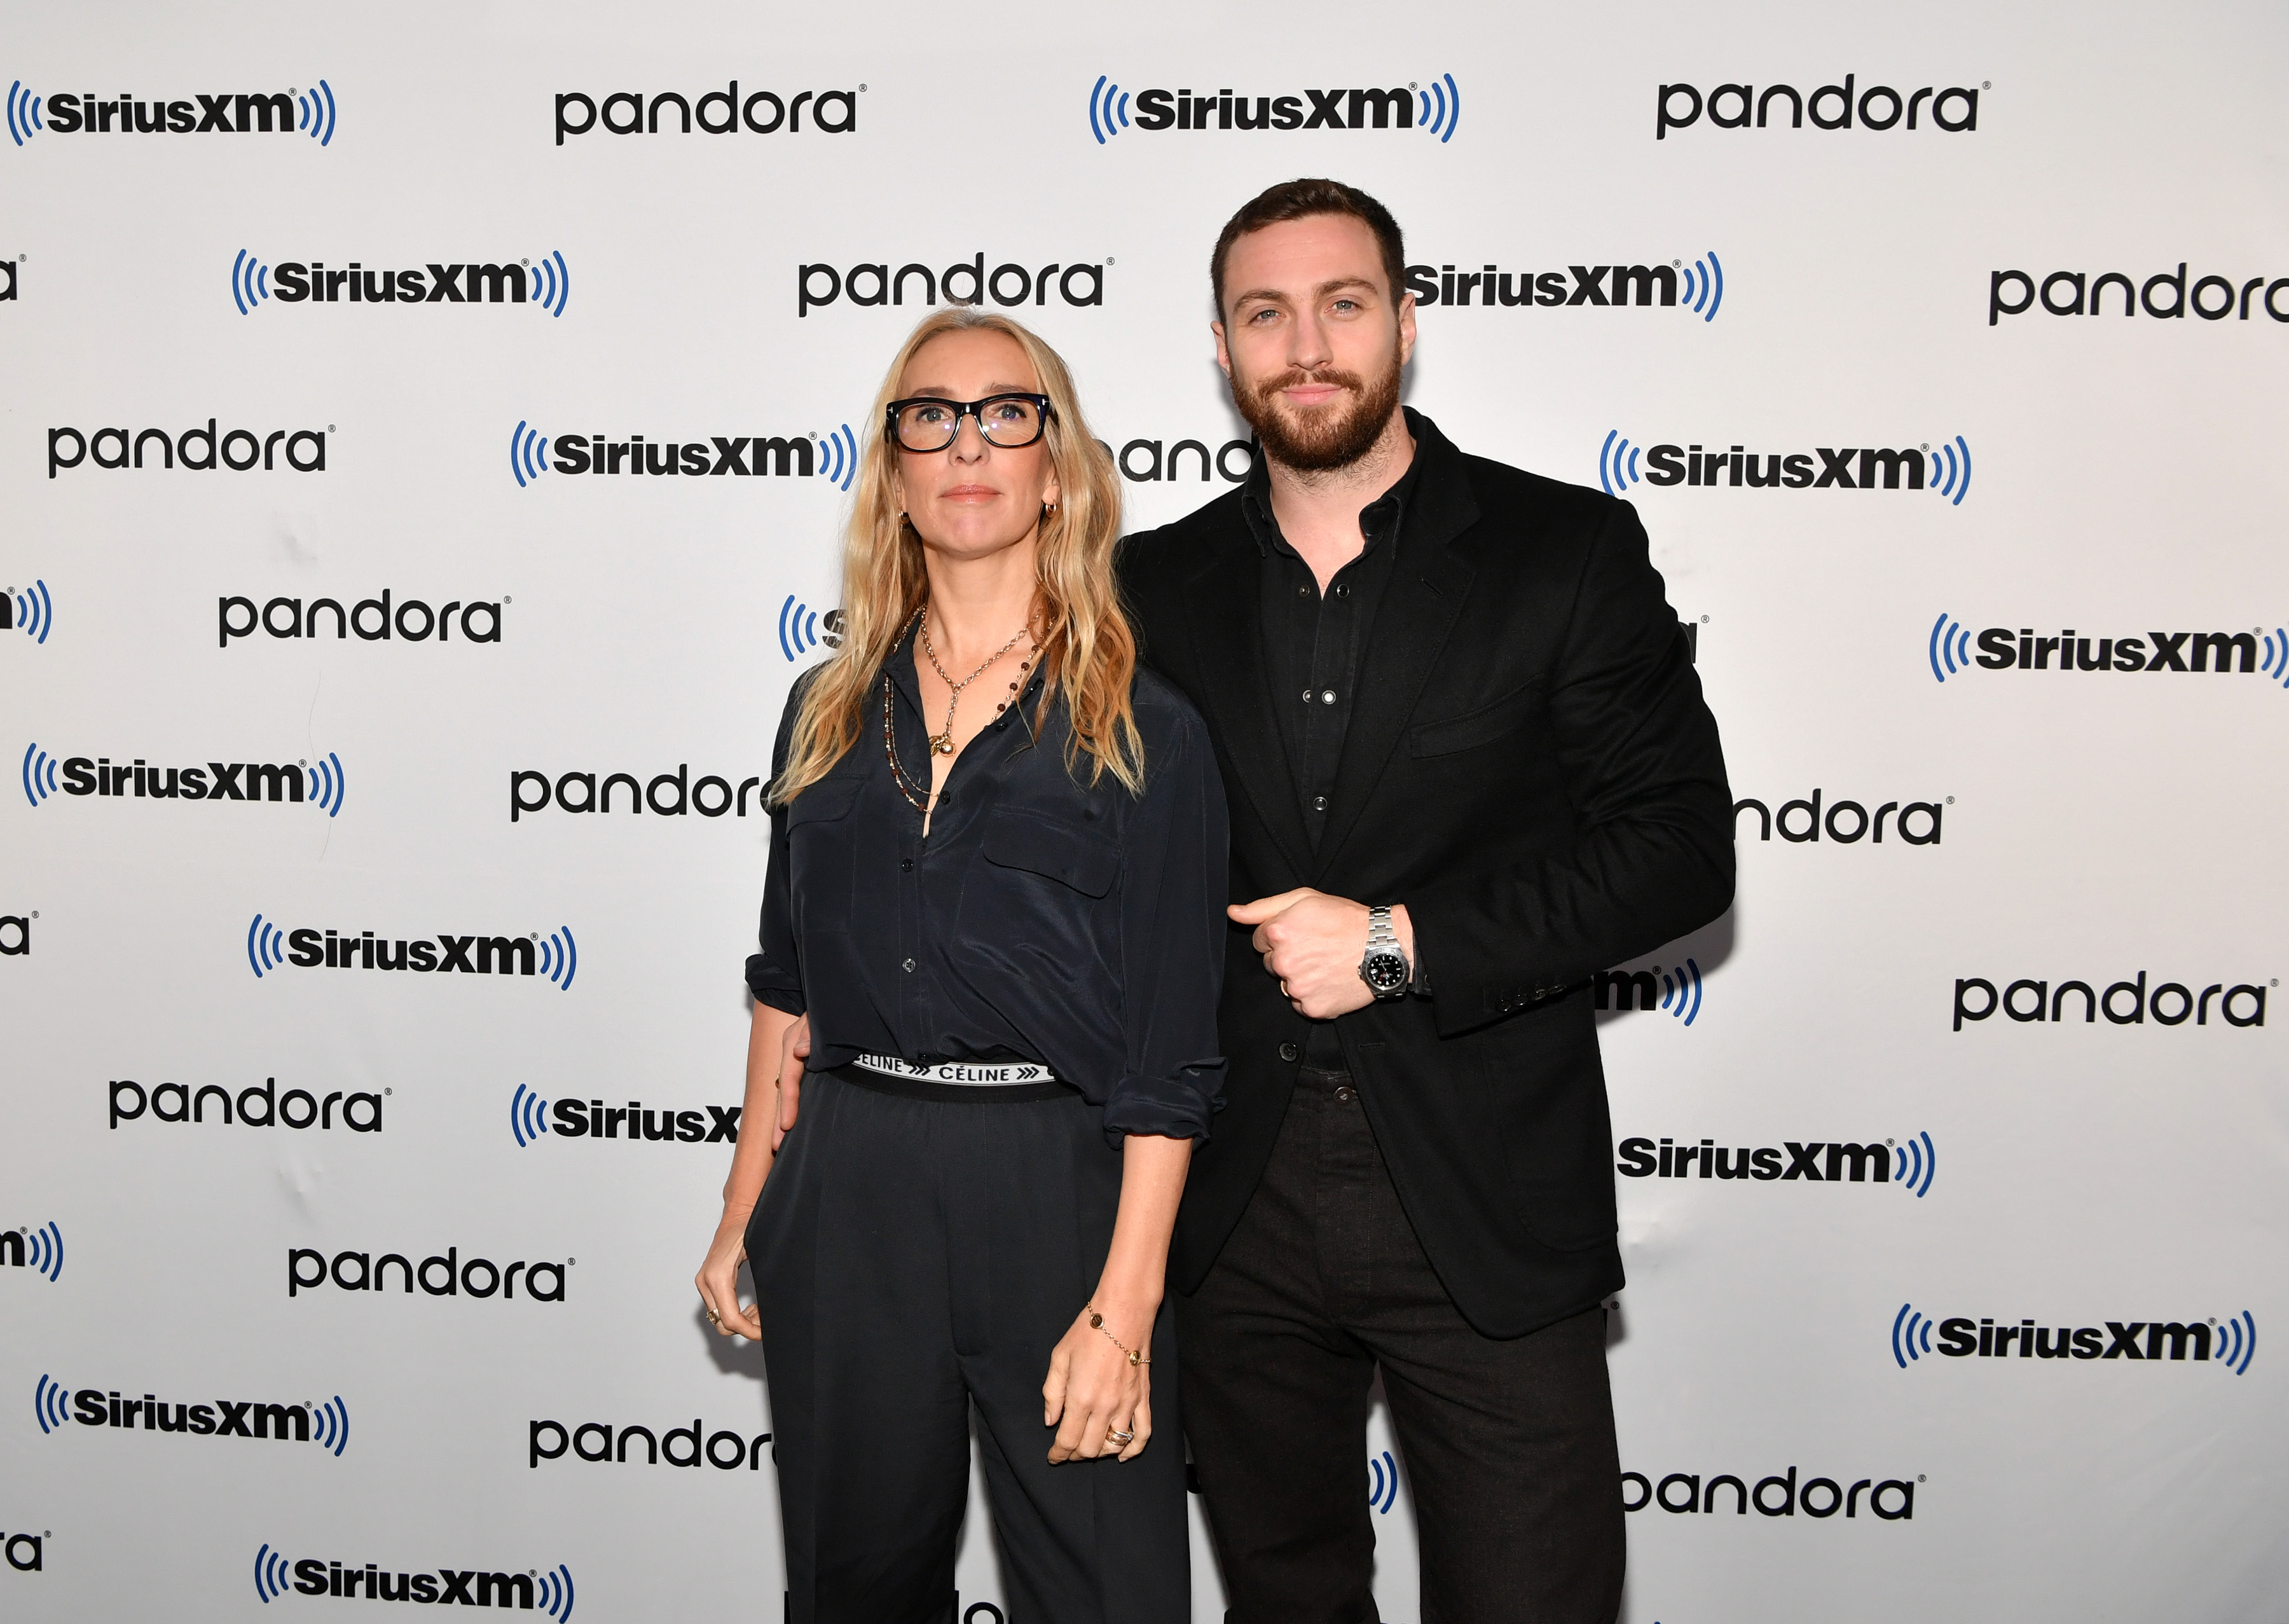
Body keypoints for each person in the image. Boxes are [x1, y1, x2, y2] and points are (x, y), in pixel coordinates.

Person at [1117, 179, 1734, 1623]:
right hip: (1233, 1204)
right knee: (1285, 1595)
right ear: (1223, 348)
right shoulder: (1149, 584)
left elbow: (1677, 853)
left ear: (1406, 321)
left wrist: (1399, 946)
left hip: (1484, 1192)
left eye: (1342, 303)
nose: (1307, 343)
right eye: (1266, 314)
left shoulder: (1562, 552)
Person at [694, 308, 1228, 1624]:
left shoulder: (1145, 726)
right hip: (851, 1183)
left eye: (1007, 411)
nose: (968, 442)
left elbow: (1171, 1061)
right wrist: (743, 1202)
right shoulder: (824, 707)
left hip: (1059, 1186)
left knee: (1105, 1591)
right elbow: (789, 984)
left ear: (1058, 464)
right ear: (895, 467)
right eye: (929, 415)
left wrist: (1125, 1305)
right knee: (851, 1584)